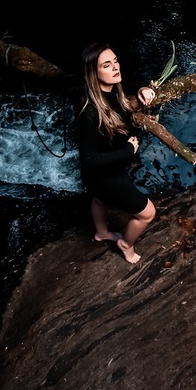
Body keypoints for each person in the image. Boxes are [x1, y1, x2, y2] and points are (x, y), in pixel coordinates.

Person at [76, 43, 157, 264]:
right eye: (106, 65)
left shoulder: (113, 90)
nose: (115, 68)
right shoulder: (90, 113)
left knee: (100, 200)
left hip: (101, 177)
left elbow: (130, 88)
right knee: (148, 213)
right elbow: (88, 158)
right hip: (105, 177)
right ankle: (125, 244)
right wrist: (128, 150)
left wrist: (142, 90)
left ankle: (101, 232)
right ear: (93, 73)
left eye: (116, 61)